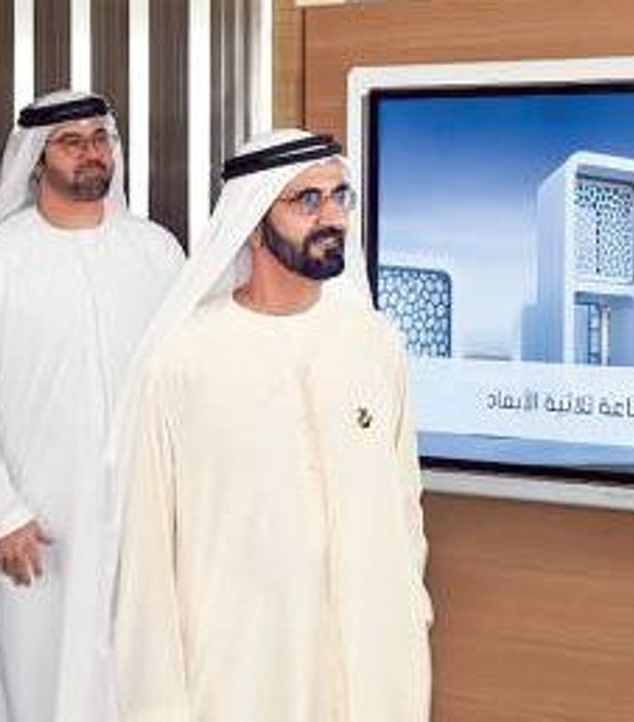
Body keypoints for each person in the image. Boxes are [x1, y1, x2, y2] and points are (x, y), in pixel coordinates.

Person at [114, 129, 433, 722]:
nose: (332, 217)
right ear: (253, 224)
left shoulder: (373, 342)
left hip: (372, 666)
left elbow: (404, 506)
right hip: (242, 675)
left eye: (340, 196)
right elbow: (146, 558)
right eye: (307, 200)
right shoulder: (183, 359)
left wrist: (409, 619)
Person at [0, 89, 185, 722]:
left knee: (138, 681)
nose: (91, 153)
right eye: (71, 142)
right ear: (36, 160)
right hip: (37, 526)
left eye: (100, 139)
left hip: (142, 515)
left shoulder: (156, 251)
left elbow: (183, 381)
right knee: (38, 682)